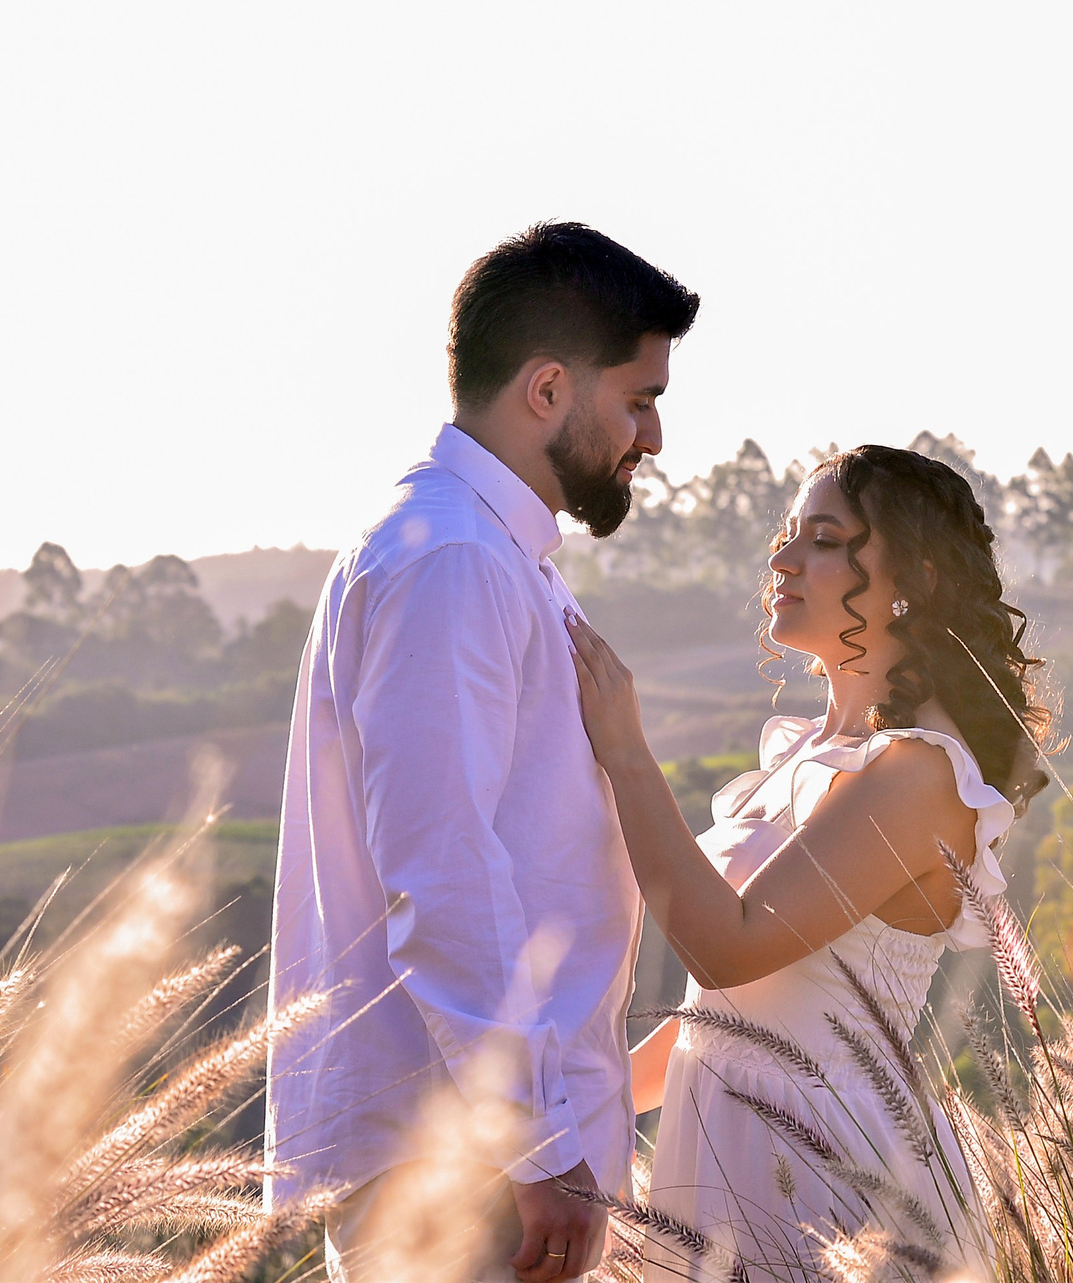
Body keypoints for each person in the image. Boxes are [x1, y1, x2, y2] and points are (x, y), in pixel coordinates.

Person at [266, 221, 701, 1283]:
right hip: (465, 1176)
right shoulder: (451, 560)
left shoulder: (490, 552)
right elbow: (443, 869)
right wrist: (535, 1143)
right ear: (547, 388)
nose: (652, 436)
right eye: (639, 399)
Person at [567, 445, 1050, 1281]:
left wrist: (627, 752)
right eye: (788, 535)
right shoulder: (813, 754)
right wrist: (568, 1119)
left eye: (824, 540)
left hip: (827, 1179)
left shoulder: (921, 772)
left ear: (916, 578)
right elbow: (724, 1008)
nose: (784, 559)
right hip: (720, 1149)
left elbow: (727, 946)